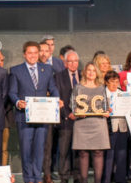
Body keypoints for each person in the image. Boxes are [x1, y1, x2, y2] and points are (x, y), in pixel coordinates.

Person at [9, 41, 61, 183]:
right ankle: (28, 179)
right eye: (29, 53)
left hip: (43, 116)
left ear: (38, 54)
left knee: (39, 150)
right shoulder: (15, 70)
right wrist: (18, 102)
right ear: (24, 54)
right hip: (24, 116)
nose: (32, 55)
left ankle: (37, 178)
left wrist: (57, 100)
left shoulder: (48, 69)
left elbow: (53, 88)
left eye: (35, 53)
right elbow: (12, 92)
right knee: (26, 151)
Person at [72, 63, 109, 183]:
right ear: (85, 72)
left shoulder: (102, 88)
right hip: (82, 124)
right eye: (89, 70)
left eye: (93, 70)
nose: (91, 73)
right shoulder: (78, 87)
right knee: (83, 153)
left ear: (97, 73)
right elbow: (72, 105)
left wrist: (107, 111)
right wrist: (76, 111)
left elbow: (106, 106)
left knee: (98, 153)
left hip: (98, 125)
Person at [49, 50, 81, 183]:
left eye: (75, 61)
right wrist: (67, 114)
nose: (73, 64)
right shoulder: (58, 76)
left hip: (82, 120)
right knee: (64, 150)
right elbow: (58, 99)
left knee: (79, 150)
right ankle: (64, 177)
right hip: (65, 119)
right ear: (65, 63)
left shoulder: (84, 75)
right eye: (70, 61)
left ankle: (78, 176)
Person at [102, 71, 129, 183]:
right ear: (106, 82)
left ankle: (120, 179)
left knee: (122, 153)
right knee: (109, 154)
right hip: (108, 127)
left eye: (117, 82)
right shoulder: (102, 94)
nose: (114, 84)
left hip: (122, 126)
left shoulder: (122, 93)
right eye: (112, 82)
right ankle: (106, 179)